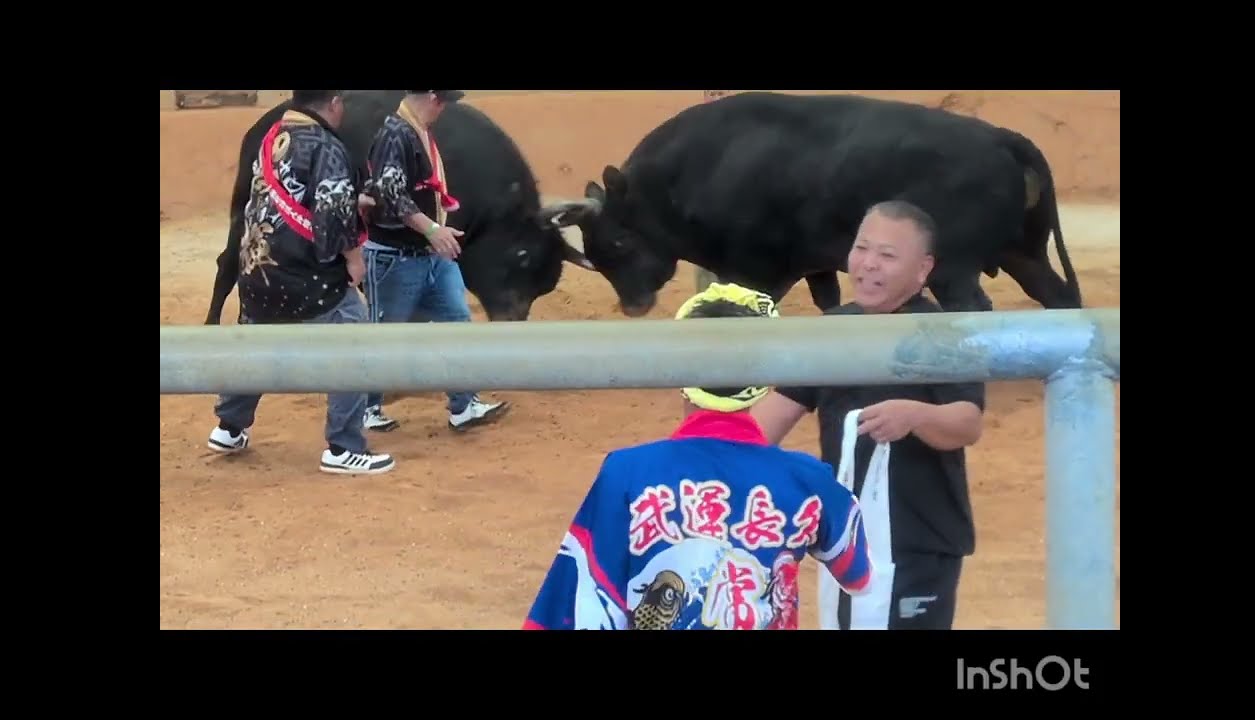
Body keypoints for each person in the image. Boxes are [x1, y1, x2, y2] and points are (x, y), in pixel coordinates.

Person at [521, 283, 873, 630]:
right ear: (765, 381)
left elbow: (578, 603)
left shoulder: (626, 473)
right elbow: (859, 576)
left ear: (678, 373)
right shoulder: (806, 479)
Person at [751, 199, 985, 630]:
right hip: (846, 542)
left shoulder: (942, 334)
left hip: (920, 541)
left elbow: (967, 422)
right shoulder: (832, 330)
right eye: (862, 249)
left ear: (923, 269)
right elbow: (765, 424)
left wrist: (915, 416)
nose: (868, 265)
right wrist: (702, 453)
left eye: (888, 255)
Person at [205, 90, 395, 476]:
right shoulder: (327, 145)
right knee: (353, 338)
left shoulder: (273, 138)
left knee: (257, 344)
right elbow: (332, 218)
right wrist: (354, 258)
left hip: (257, 269)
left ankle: (229, 426)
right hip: (306, 277)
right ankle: (344, 446)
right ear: (335, 103)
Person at [359, 89, 509, 433]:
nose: (442, 108)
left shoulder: (413, 132)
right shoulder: (396, 134)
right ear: (428, 96)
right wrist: (432, 229)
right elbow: (391, 194)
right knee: (381, 337)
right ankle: (365, 408)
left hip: (428, 256)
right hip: (395, 259)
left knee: (456, 320)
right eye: (441, 100)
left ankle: (463, 404)